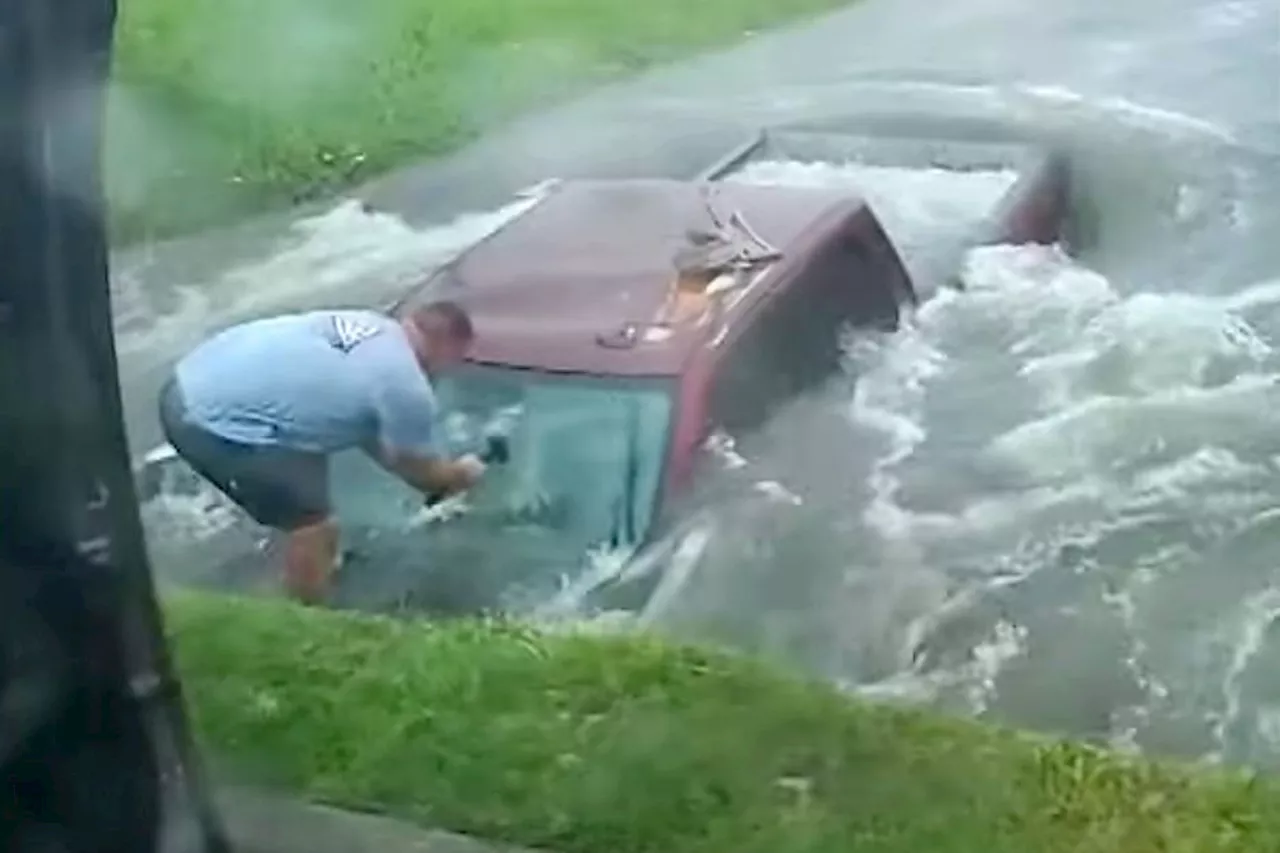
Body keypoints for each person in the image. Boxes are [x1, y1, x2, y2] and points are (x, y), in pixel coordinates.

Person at [156, 300, 486, 605]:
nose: (450, 369)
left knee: (306, 483)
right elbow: (419, 470)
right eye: (457, 359)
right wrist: (461, 474)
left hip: (188, 380)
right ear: (447, 347)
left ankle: (292, 574)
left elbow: (378, 441)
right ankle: (307, 622)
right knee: (315, 527)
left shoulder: (372, 326)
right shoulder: (405, 385)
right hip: (210, 422)